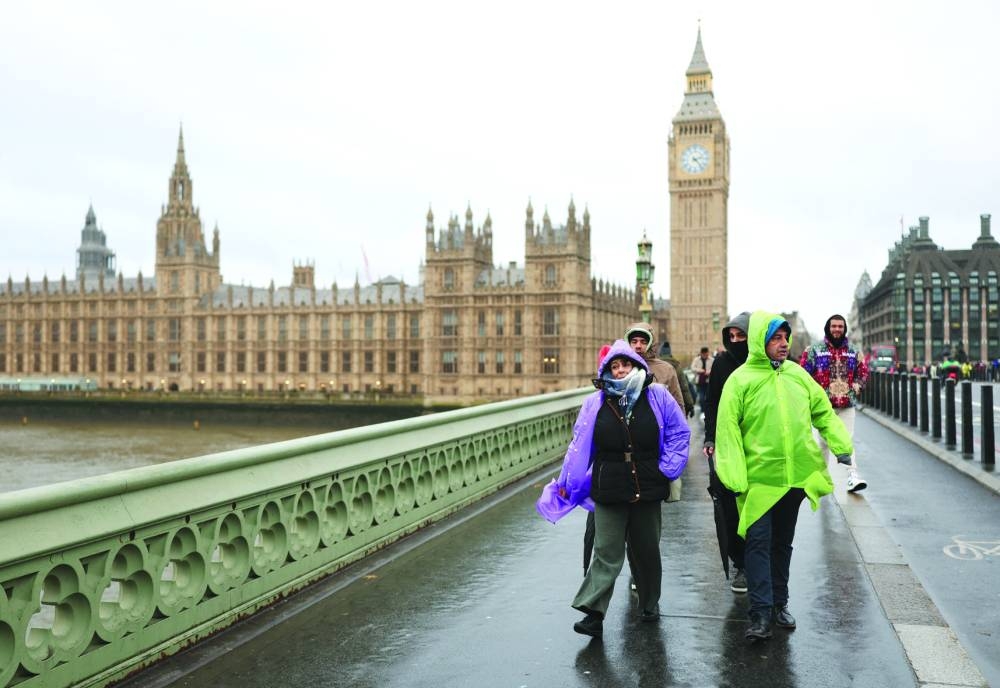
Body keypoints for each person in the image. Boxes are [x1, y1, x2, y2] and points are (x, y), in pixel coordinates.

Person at [535, 339, 690, 639]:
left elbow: (678, 432)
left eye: (624, 364)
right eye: (614, 367)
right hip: (609, 483)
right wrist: (567, 482)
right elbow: (579, 446)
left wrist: (668, 468)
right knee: (606, 551)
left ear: (637, 365)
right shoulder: (596, 402)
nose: (619, 371)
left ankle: (649, 603)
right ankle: (594, 613)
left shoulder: (656, 395)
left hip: (647, 482)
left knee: (646, 550)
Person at [715, 312, 852, 642]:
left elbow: (822, 409)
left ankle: (780, 604)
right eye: (776, 338)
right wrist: (733, 475)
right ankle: (760, 613)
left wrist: (840, 445)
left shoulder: (797, 375)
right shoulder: (741, 379)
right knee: (758, 544)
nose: (783, 344)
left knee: (781, 544)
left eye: (785, 338)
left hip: (794, 478)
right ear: (761, 341)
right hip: (758, 480)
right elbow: (727, 430)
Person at [702, 311, 751, 594]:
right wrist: (710, 437)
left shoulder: (764, 363)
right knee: (728, 506)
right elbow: (711, 403)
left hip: (758, 445)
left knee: (754, 505)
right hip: (727, 444)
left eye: (740, 336)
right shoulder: (721, 363)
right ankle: (740, 563)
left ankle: (757, 562)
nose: (734, 341)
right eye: (730, 336)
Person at [798, 314, 870, 492]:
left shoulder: (854, 351)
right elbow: (802, 375)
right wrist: (811, 394)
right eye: (834, 326)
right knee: (822, 443)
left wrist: (858, 386)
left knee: (847, 440)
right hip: (823, 406)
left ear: (844, 329)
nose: (837, 329)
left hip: (846, 405)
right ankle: (821, 478)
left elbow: (864, 372)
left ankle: (852, 476)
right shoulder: (814, 350)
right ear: (828, 328)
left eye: (840, 326)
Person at [624, 322, 686, 412]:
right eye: (634, 341)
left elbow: (677, 405)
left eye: (643, 342)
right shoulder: (620, 369)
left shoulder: (666, 370)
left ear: (650, 343)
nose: (638, 346)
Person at [658, 341, 696, 417]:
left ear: (660, 353)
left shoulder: (655, 366)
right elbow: (684, 388)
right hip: (675, 405)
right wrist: (690, 406)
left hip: (658, 407)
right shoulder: (677, 366)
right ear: (670, 353)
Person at [691, 346, 713, 415]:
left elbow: (715, 369)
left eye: (706, 354)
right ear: (701, 353)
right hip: (699, 381)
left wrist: (709, 372)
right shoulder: (696, 360)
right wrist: (701, 371)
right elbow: (693, 368)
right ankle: (703, 410)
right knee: (701, 397)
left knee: (708, 397)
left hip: (708, 381)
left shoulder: (712, 360)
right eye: (703, 354)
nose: (704, 356)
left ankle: (707, 410)